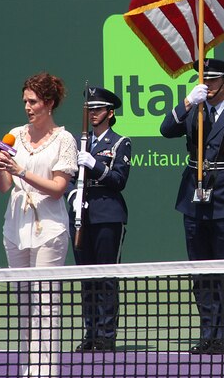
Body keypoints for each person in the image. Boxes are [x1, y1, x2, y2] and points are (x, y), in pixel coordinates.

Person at [159, 58, 224, 354]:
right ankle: (208, 332)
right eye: (203, 80)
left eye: (213, 81)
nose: (206, 85)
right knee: (200, 271)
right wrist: (186, 103)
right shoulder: (195, 110)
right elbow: (166, 129)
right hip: (194, 198)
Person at [0, 72, 78, 378]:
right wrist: (1, 166)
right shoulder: (14, 134)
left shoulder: (65, 139)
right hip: (15, 228)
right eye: (25, 101)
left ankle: (46, 371)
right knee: (25, 305)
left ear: (49, 103)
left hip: (50, 230)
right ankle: (30, 369)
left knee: (45, 305)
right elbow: (3, 186)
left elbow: (57, 188)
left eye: (33, 101)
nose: (27, 107)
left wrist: (21, 171)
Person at [68, 86, 132, 353]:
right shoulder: (78, 143)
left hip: (107, 214)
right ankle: (91, 333)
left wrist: (94, 165)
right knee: (86, 279)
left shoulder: (120, 142)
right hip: (81, 215)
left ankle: (106, 334)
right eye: (90, 109)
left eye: (98, 109)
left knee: (106, 277)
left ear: (110, 112)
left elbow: (119, 180)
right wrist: (72, 193)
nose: (93, 114)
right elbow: (70, 176)